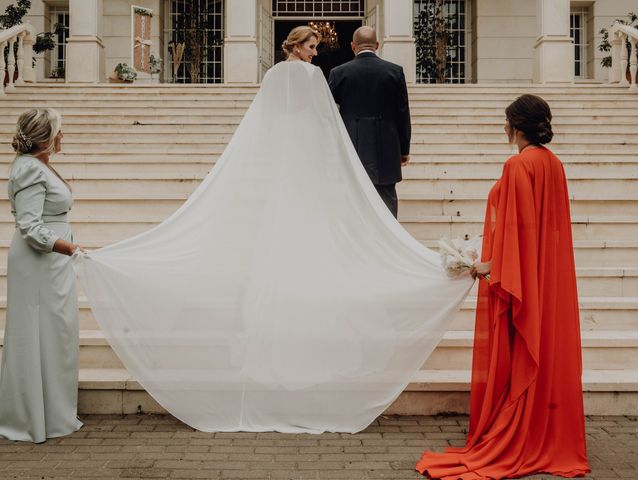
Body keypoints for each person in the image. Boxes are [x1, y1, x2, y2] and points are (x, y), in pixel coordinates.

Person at [72, 27, 474, 434]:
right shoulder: (313, 76)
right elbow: (325, 123)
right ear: (297, 46)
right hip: (311, 168)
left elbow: (268, 123)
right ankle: (313, 353)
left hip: (280, 171)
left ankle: (267, 353)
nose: (317, 54)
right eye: (313, 47)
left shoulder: (273, 77)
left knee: (277, 252)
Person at [416, 95, 591, 478]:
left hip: (523, 278)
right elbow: (547, 230)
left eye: (506, 121)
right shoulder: (553, 164)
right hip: (546, 275)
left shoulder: (517, 166)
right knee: (543, 347)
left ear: (516, 125)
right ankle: (546, 433)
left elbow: (518, 231)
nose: (504, 127)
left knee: (520, 351)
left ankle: (521, 433)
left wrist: (486, 266)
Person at [0, 109, 84, 443]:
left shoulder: (38, 165)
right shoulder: (28, 170)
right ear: (43, 137)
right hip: (39, 265)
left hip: (51, 266)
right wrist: (70, 248)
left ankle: (54, 411)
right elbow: (31, 228)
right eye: (59, 131)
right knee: (39, 334)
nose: (63, 137)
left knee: (56, 335)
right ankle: (31, 417)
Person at [328, 26, 411, 218]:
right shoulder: (394, 71)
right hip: (387, 145)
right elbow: (402, 112)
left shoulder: (338, 73)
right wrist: (404, 149)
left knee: (353, 196)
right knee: (386, 197)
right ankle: (389, 242)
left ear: (352, 46)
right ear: (377, 45)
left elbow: (329, 112)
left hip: (352, 144)